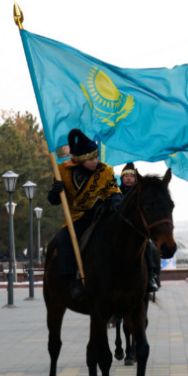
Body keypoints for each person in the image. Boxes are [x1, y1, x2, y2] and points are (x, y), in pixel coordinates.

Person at [47, 129, 123, 301]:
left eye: (96, 157)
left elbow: (114, 191)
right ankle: (71, 280)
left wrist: (116, 201)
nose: (95, 161)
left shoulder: (105, 170)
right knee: (63, 238)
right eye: (91, 158)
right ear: (80, 158)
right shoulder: (62, 171)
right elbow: (53, 200)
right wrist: (55, 191)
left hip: (102, 215)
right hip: (77, 218)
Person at [118, 162, 161, 294]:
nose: (129, 179)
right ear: (122, 178)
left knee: (148, 246)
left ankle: (151, 274)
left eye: (132, 176)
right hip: (118, 229)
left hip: (136, 231)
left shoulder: (141, 193)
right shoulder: (115, 191)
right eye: (126, 176)